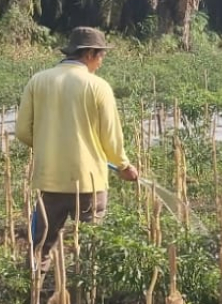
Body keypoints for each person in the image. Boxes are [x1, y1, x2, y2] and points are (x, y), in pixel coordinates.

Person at [16, 26, 138, 270]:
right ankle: (87, 291)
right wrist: (123, 165)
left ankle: (33, 290)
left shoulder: (37, 81)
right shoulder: (98, 86)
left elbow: (22, 132)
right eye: (101, 55)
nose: (101, 62)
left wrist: (47, 146)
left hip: (49, 179)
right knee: (92, 248)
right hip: (89, 182)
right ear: (89, 53)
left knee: (39, 247)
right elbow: (111, 138)